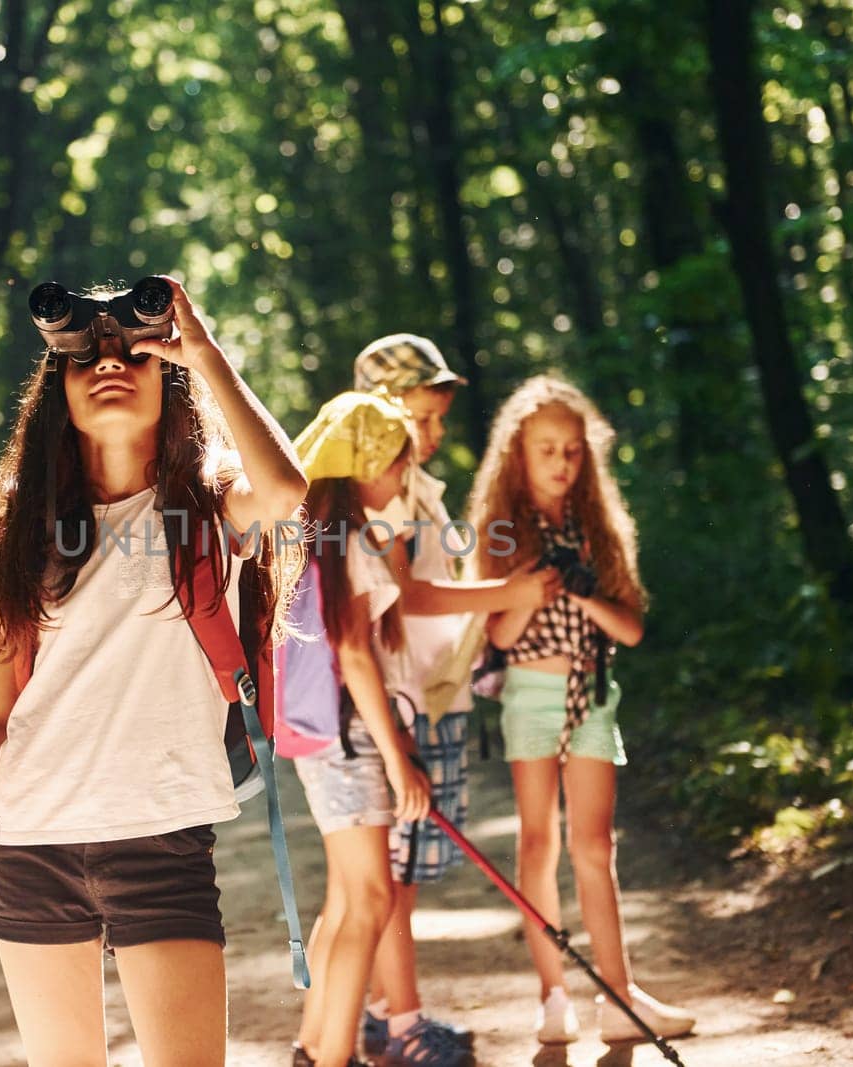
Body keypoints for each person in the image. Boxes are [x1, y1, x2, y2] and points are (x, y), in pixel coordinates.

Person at [0, 276, 306, 1067]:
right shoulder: (22, 527)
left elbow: (288, 488)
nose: (110, 362)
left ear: (171, 376)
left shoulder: (208, 506)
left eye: (134, 351)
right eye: (86, 355)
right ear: (59, 387)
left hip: (160, 839)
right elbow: (3, 719)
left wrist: (205, 349)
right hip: (25, 843)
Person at [465, 374, 694, 1045]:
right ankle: (554, 994)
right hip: (530, 697)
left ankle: (619, 996)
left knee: (596, 845)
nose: (561, 462)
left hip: (593, 696)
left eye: (572, 450)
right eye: (547, 450)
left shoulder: (598, 524)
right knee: (539, 843)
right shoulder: (503, 529)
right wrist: (529, 588)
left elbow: (631, 628)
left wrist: (586, 593)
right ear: (518, 453)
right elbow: (498, 638)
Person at [351, 335, 552, 1065]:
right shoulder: (383, 491)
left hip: (433, 694)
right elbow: (405, 592)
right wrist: (511, 591)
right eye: (423, 418)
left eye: (438, 419)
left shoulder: (416, 488)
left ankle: (381, 1010)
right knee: (394, 877)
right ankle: (403, 1024)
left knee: (401, 872)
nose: (434, 434)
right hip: (404, 698)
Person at [284, 391, 433, 1067]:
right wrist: (401, 763)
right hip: (352, 739)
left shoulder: (306, 538)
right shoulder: (351, 543)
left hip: (318, 737)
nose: (404, 476)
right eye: (399, 463)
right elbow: (353, 653)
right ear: (369, 466)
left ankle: (315, 1045)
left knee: (347, 899)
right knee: (370, 900)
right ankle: (333, 1055)